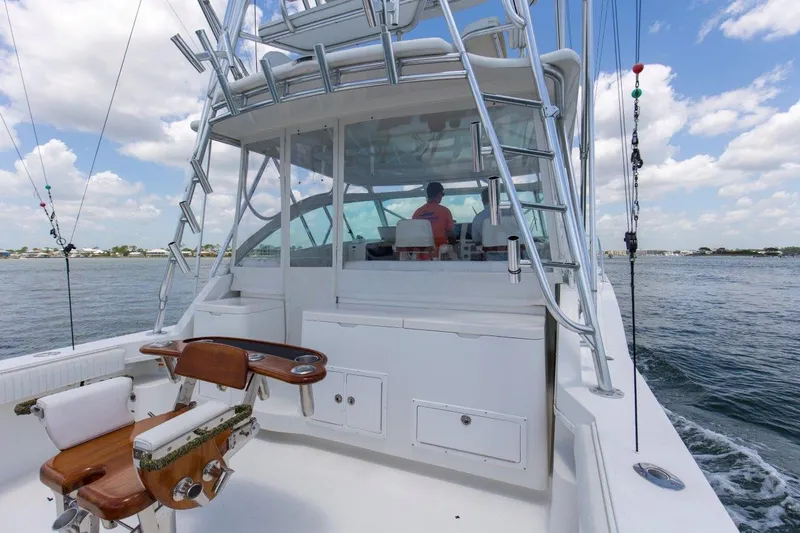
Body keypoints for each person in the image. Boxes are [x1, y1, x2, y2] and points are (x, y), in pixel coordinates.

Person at [412, 182, 456, 250]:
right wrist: (454, 245)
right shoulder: (445, 211)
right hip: (440, 252)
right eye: (442, 194)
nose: (442, 196)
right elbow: (450, 234)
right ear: (439, 194)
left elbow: (414, 234)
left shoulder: (417, 213)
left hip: (421, 253)